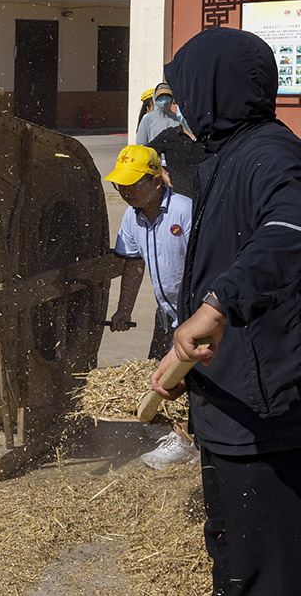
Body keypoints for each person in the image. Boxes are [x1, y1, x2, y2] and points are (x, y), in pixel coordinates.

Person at [151, 27, 301, 595]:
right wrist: (182, 359)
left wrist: (216, 308)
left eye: (185, 89)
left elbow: (290, 231)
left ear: (216, 88)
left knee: (268, 570)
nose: (179, 104)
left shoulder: (270, 154)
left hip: (266, 413)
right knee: (233, 555)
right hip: (227, 400)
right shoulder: (223, 158)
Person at [103, 144, 198, 470]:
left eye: (132, 183)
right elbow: (133, 265)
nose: (125, 191)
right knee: (159, 374)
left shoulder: (185, 211)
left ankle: (187, 443)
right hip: (166, 313)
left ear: (157, 181)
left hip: (195, 312)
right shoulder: (132, 218)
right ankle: (171, 431)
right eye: (120, 185)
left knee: (188, 376)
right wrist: (124, 310)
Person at [147, 118, 207, 200]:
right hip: (176, 199)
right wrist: (160, 169)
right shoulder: (170, 135)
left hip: (204, 199)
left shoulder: (210, 138)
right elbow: (146, 154)